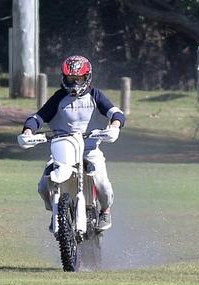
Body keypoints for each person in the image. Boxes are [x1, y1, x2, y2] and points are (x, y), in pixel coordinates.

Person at [20, 55, 125, 232]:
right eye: (70, 78)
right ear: (64, 77)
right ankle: (56, 211)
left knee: (102, 184)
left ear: (87, 77)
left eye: (79, 78)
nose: (75, 83)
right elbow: (37, 117)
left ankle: (105, 211)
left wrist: (114, 127)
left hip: (90, 149)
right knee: (42, 186)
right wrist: (28, 131)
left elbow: (117, 114)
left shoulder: (95, 95)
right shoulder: (58, 98)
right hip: (63, 148)